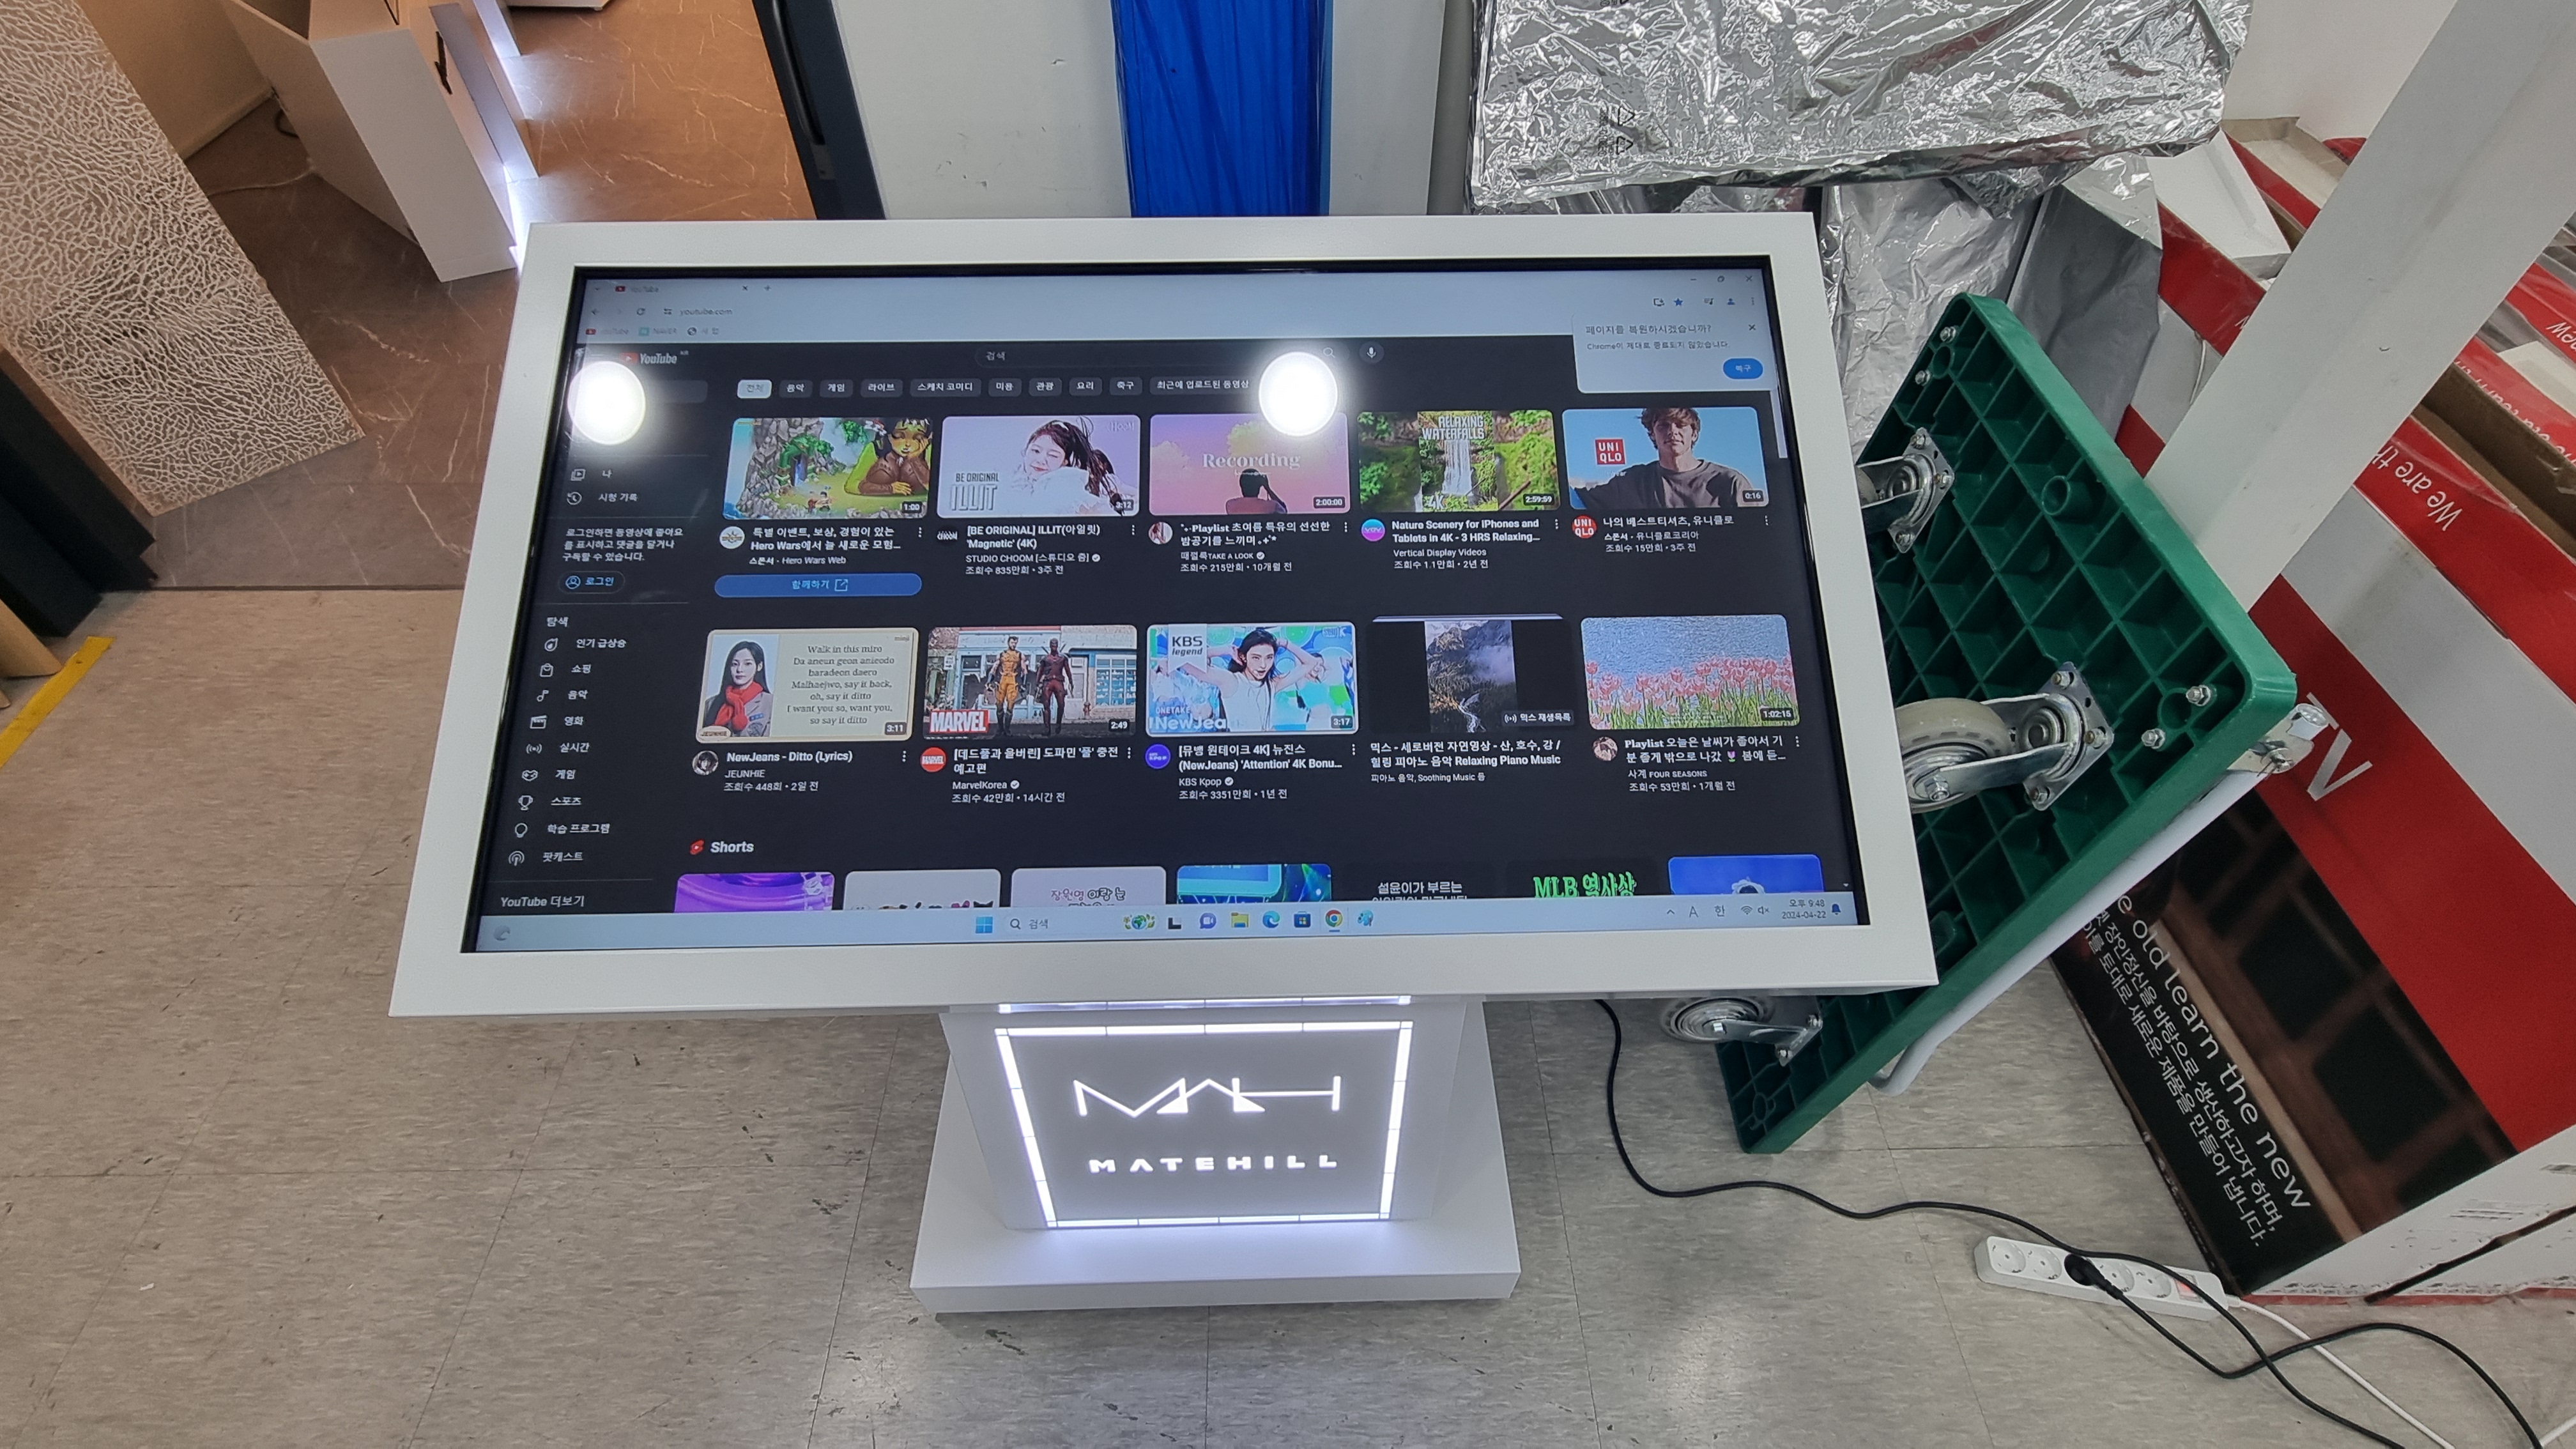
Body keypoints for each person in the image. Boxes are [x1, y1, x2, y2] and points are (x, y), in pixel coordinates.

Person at [1578, 407, 1758, 512]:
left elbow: (1757, 535)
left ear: (1694, 434)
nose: (1672, 432)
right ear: (1652, 434)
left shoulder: (1730, 482)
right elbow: (1577, 498)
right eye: (1664, 426)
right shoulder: (1632, 481)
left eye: (1681, 425)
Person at [1165, 627, 1323, 733]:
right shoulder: (1231, 680)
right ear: (1244, 657)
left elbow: (1311, 663)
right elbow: (1181, 661)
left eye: (1269, 658)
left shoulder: (1272, 684)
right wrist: (1224, 650)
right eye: (1256, 658)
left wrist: (1284, 643)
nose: (1263, 665)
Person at [1011, 418, 1133, 516]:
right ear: (1026, 451)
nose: (1041, 460)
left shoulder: (1071, 495)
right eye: (1036, 451)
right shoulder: (1014, 484)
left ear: (1065, 462)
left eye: (1053, 455)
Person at [700, 641, 771, 739]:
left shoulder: (770, 703)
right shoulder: (710, 704)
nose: (740, 669)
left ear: (759, 666)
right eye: (735, 664)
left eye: (747, 664)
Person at [1032, 638, 1074, 735]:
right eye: (1052, 645)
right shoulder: (1046, 659)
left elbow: (1068, 670)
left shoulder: (1062, 659)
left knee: (1061, 705)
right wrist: (1037, 683)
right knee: (1046, 705)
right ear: (1050, 646)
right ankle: (1047, 729)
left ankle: (1058, 725)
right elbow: (1040, 671)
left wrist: (1071, 681)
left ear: (1057, 646)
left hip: (1059, 682)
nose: (1054, 646)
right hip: (1048, 682)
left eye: (1055, 645)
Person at [987, 635, 1026, 737]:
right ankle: (1000, 728)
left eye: (1015, 643)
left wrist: (1023, 684)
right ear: (1008, 643)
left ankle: (1007, 729)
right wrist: (989, 681)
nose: (1014, 645)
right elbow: (994, 668)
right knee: (999, 704)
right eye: (1012, 643)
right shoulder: (1002, 655)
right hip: (1002, 680)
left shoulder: (1020, 655)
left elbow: (1024, 670)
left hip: (1013, 680)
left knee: (1010, 705)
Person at [1223, 467, 1289, 515]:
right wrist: (1268, 488)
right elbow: (1284, 510)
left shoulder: (1231, 505)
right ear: (1259, 486)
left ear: (1241, 485)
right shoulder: (1271, 506)